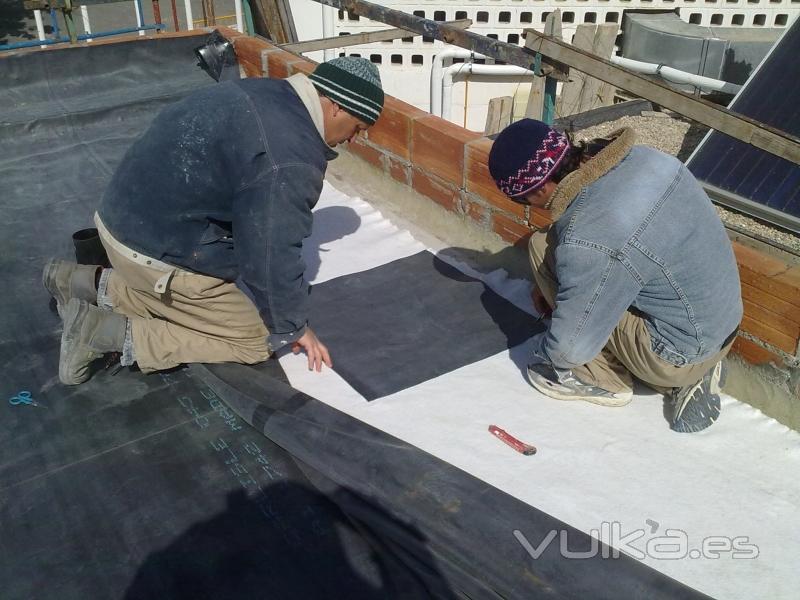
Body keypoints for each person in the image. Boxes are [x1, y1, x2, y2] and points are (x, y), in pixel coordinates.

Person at [43, 57, 384, 385]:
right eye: (358, 128)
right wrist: (292, 326)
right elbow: (269, 253)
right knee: (253, 339)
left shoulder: (262, 91)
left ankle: (82, 282)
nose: (352, 140)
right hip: (151, 252)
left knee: (211, 278)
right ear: (337, 106)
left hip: (118, 220)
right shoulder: (291, 159)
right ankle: (102, 333)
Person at [488, 119, 742, 433]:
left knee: (543, 248)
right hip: (723, 320)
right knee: (556, 246)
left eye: (521, 200)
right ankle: (698, 366)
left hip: (679, 354)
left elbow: (570, 347)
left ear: (538, 190)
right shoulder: (649, 159)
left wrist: (560, 316)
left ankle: (602, 379)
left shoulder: (590, 237)